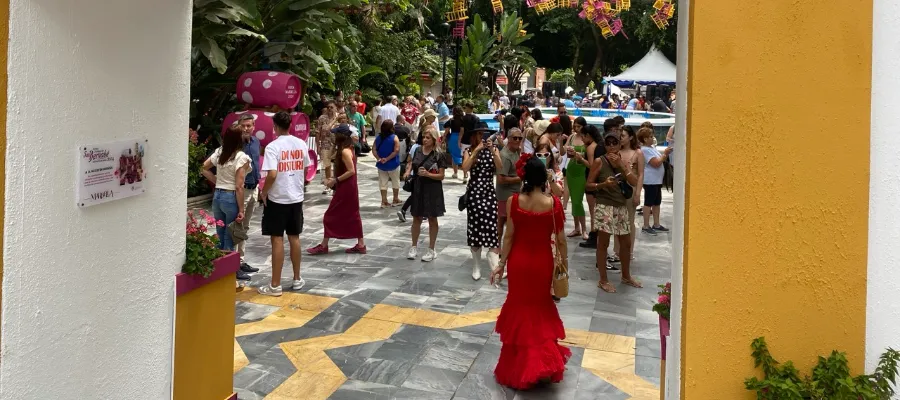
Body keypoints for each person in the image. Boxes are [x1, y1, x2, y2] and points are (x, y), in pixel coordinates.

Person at [490, 155, 570, 390]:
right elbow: (561, 240)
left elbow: (509, 236)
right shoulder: (553, 204)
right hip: (542, 262)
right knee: (541, 307)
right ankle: (542, 363)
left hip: (519, 262)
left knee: (520, 307)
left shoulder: (514, 201)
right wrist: (564, 265)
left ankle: (522, 365)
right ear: (543, 177)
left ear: (524, 176)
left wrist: (501, 263)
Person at [258, 112, 312, 297]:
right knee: (294, 237)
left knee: (277, 239)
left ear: (275, 126)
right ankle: (297, 279)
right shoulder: (301, 144)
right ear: (290, 125)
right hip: (296, 197)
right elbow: (305, 168)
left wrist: (264, 192)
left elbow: (272, 174)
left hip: (277, 198)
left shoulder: (273, 147)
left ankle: (275, 285)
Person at [586, 131, 641, 293]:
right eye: (608, 143)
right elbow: (588, 185)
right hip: (605, 205)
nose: (611, 146)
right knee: (603, 243)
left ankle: (626, 276)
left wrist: (621, 166)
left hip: (621, 205)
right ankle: (603, 280)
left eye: (614, 143)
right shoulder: (599, 161)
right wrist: (603, 185)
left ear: (619, 144)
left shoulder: (622, 161)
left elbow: (634, 181)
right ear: (605, 145)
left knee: (626, 243)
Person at [307, 124, 366, 255]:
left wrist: (335, 180)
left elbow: (351, 171)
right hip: (349, 186)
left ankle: (324, 245)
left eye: (335, 134)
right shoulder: (349, 148)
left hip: (346, 187)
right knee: (353, 214)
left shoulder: (345, 151)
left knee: (330, 215)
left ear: (341, 136)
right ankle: (360, 244)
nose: (333, 136)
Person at [201, 125, 250, 255]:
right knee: (229, 236)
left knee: (220, 233)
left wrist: (217, 182)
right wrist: (241, 210)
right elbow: (239, 186)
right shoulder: (241, 157)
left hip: (217, 196)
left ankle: (219, 262)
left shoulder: (219, 152)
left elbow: (203, 168)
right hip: (230, 197)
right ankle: (229, 265)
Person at [462, 124, 502, 280]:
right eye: (480, 134)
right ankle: (476, 266)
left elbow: (500, 168)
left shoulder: (494, 150)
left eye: (485, 134)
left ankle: (495, 266)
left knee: (492, 227)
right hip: (474, 193)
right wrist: (476, 151)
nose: (483, 137)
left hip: (489, 192)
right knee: (475, 228)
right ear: (474, 136)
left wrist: (493, 151)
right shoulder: (469, 151)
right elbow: (465, 168)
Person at [405, 127, 450, 262]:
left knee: (432, 218)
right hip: (418, 187)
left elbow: (441, 176)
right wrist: (408, 171)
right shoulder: (418, 150)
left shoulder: (439, 155)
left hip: (433, 189)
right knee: (416, 217)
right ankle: (414, 246)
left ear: (434, 139)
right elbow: (411, 163)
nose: (425, 140)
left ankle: (431, 249)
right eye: (424, 137)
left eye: (428, 138)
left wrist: (428, 174)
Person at [613, 126, 644, 261]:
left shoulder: (637, 153)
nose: (621, 138)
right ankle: (617, 250)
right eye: (619, 136)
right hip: (616, 189)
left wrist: (638, 193)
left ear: (630, 137)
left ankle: (629, 251)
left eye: (623, 136)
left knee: (629, 221)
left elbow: (641, 174)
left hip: (630, 189)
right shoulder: (616, 152)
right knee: (616, 220)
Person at [235, 113, 261, 275]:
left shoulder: (256, 142)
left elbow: (257, 164)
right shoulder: (236, 144)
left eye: (248, 126)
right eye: (243, 126)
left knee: (245, 226)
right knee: (237, 226)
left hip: (254, 188)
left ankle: (240, 260)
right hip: (242, 189)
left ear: (253, 127)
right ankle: (233, 264)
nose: (246, 129)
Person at [639, 127, 672, 235]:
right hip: (650, 181)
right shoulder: (645, 150)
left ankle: (656, 224)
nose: (652, 138)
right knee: (648, 203)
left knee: (657, 202)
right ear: (645, 139)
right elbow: (656, 163)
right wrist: (665, 154)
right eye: (650, 136)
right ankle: (646, 225)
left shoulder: (652, 148)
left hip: (657, 180)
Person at [564, 117, 589, 240]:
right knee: (574, 199)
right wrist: (566, 148)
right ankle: (577, 227)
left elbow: (590, 155)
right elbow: (564, 150)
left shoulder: (586, 138)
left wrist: (579, 155)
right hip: (571, 169)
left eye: (579, 126)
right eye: (575, 126)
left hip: (582, 170)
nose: (576, 128)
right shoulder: (572, 137)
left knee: (578, 200)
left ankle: (583, 229)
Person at [497, 127, 524, 243]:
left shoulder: (515, 151)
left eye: (520, 138)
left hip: (514, 194)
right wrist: (520, 178)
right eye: (515, 138)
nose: (517, 140)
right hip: (506, 195)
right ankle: (499, 247)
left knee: (508, 223)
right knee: (504, 223)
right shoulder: (505, 156)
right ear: (509, 138)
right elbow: (501, 179)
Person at [374, 120, 402, 208]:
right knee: (395, 181)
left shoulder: (378, 138)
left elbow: (374, 150)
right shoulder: (394, 137)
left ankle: (384, 201)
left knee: (383, 182)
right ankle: (395, 199)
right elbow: (396, 150)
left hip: (381, 165)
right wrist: (387, 159)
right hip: (393, 164)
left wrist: (379, 158)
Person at [397, 133, 423, 223]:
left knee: (415, 195)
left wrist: (408, 171)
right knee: (417, 195)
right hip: (418, 175)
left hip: (413, 174)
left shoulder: (414, 146)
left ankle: (414, 212)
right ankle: (405, 210)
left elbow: (409, 159)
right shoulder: (420, 149)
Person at [316, 101, 339, 194]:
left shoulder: (339, 117)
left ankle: (336, 184)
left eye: (331, 107)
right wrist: (318, 145)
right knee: (327, 165)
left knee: (337, 165)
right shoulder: (322, 118)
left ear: (335, 108)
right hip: (325, 144)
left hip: (337, 145)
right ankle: (329, 185)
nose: (329, 109)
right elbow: (318, 132)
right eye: (328, 107)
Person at [444, 106, 466, 181]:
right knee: (464, 156)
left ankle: (455, 173)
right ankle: (465, 175)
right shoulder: (464, 120)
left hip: (453, 138)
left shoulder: (451, 120)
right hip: (463, 138)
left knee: (454, 156)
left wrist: (443, 138)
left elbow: (446, 130)